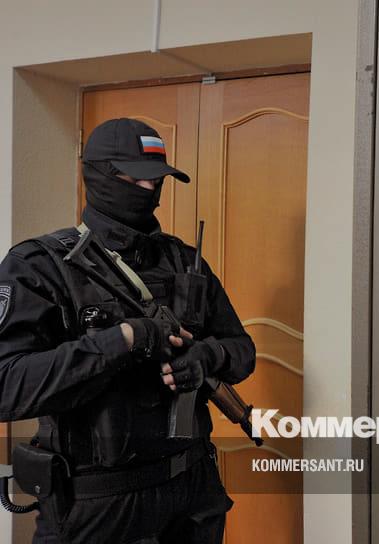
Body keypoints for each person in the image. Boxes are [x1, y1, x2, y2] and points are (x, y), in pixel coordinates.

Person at [0, 118, 256, 543]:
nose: (149, 189)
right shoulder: (40, 267)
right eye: (135, 179)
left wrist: (207, 357)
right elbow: (7, 387)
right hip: (100, 505)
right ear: (98, 175)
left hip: (191, 492)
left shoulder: (184, 262)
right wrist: (123, 340)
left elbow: (242, 352)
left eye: (157, 179)